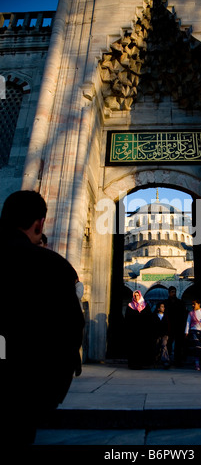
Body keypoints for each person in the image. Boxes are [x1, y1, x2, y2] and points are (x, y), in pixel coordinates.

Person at [0, 190, 85, 444]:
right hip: (22, 393)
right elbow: (70, 331)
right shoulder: (53, 267)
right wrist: (51, 395)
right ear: (39, 224)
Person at [124, 290, 154, 369]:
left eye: (137, 295)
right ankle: (133, 364)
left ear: (140, 296)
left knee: (142, 347)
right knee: (133, 348)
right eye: (135, 295)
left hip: (143, 331)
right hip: (133, 331)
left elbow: (149, 318)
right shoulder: (130, 306)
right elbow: (127, 318)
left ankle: (142, 364)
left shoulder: (145, 306)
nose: (136, 297)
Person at [164, 286, 187, 367]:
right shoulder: (166, 303)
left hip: (178, 327)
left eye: (174, 292)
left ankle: (178, 361)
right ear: (169, 292)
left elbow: (184, 315)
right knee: (168, 344)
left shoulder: (180, 303)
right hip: (169, 327)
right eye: (172, 292)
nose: (173, 293)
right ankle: (167, 360)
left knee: (178, 344)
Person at [153, 302, 170, 368]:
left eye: (164, 307)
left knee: (164, 346)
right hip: (157, 334)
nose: (163, 308)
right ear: (158, 308)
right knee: (157, 346)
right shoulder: (154, 316)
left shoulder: (166, 316)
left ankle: (165, 361)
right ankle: (156, 360)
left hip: (164, 334)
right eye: (162, 307)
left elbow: (168, 326)